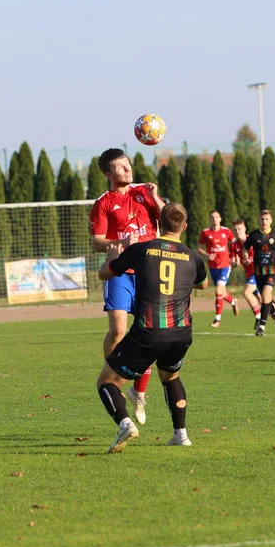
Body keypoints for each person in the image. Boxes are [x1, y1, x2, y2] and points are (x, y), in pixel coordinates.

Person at [97, 203, 208, 453]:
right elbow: (202, 284)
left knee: (107, 381)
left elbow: (105, 274)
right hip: (181, 332)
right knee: (170, 376)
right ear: (185, 227)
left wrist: (112, 258)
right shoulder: (193, 257)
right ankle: (181, 435)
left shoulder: (141, 250)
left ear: (158, 223)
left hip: (148, 331)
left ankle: (125, 423)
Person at [89, 148, 164, 425]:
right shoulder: (104, 202)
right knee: (119, 330)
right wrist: (117, 244)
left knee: (148, 334)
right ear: (108, 173)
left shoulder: (145, 192)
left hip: (148, 270)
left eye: (128, 164)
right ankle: (114, 375)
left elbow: (169, 217)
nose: (127, 169)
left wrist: (156, 197)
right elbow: (97, 240)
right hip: (121, 271)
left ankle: (139, 393)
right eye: (120, 167)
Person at [243, 210, 275, 336]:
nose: (264, 221)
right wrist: (246, 257)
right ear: (259, 220)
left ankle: (261, 326)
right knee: (266, 299)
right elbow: (245, 248)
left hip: (273, 270)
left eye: (266, 219)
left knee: (266, 294)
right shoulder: (253, 235)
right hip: (258, 271)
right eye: (262, 219)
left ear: (271, 221)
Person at [198, 210, 238, 327]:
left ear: (220, 219)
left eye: (216, 217)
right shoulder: (205, 233)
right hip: (213, 267)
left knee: (218, 291)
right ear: (210, 220)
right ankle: (234, 302)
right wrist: (207, 255)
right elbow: (199, 248)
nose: (214, 219)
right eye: (212, 217)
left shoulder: (226, 231)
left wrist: (235, 257)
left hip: (225, 265)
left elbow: (235, 244)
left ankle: (217, 319)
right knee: (221, 292)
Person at [230, 218, 262, 322]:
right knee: (262, 300)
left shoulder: (252, 240)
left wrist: (251, 259)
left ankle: (259, 318)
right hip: (249, 274)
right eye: (235, 230)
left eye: (239, 229)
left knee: (246, 292)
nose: (237, 232)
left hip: (258, 272)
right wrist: (234, 263)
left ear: (244, 228)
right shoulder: (234, 245)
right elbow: (233, 260)